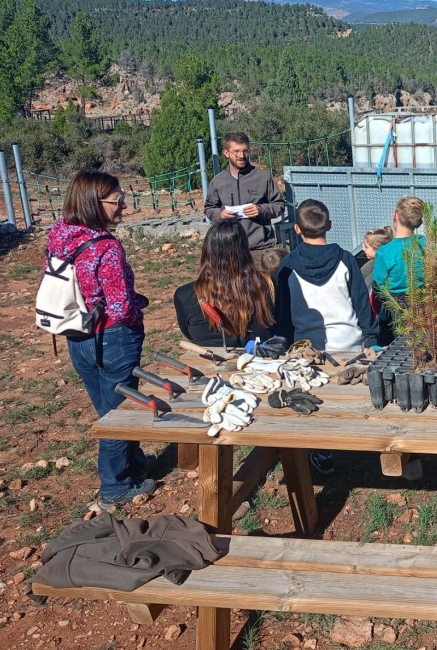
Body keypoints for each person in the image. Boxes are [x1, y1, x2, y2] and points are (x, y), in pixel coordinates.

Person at [46, 170, 155, 511]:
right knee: (116, 413)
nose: (123, 206)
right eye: (117, 201)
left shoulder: (60, 235)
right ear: (96, 203)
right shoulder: (107, 249)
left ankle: (132, 462)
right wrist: (140, 304)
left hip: (76, 334)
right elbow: (121, 307)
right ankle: (114, 486)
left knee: (107, 405)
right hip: (114, 337)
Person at [275, 199, 378, 476]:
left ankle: (322, 451)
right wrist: (371, 337)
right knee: (353, 395)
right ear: (329, 226)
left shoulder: (287, 266)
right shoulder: (345, 259)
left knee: (315, 400)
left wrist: (284, 343)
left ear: (297, 229)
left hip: (308, 350)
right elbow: (361, 303)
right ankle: (363, 440)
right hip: (349, 343)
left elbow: (283, 315)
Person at [173, 221, 276, 350]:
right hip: (260, 362)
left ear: (206, 250)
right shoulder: (269, 284)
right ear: (244, 249)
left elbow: (189, 334)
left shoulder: (184, 295)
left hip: (206, 364)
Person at [203, 131, 286, 251]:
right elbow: (209, 208)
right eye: (236, 151)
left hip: (260, 248)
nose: (241, 156)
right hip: (229, 249)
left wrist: (260, 210)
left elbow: (279, 205)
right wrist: (220, 214)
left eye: (245, 151)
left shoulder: (263, 177)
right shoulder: (217, 181)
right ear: (226, 153)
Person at [373, 196, 425, 343]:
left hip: (396, 308)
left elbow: (378, 287)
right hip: (424, 303)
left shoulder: (385, 252)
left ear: (395, 215)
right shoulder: (426, 244)